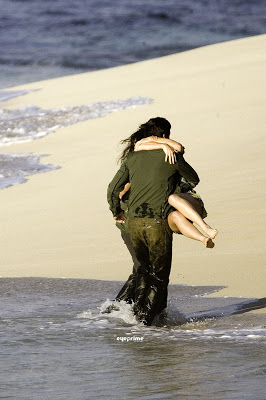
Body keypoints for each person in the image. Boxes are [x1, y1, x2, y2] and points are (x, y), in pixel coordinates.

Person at [107, 117, 200, 325]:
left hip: (131, 220)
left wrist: (116, 210)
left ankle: (135, 315)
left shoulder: (133, 155)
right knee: (154, 274)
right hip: (151, 220)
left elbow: (114, 189)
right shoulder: (166, 156)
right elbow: (192, 178)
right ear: (164, 135)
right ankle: (144, 320)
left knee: (142, 271)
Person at [134, 135, 218, 248]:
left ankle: (205, 227)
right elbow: (137, 147)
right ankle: (203, 239)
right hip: (171, 214)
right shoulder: (145, 153)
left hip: (186, 200)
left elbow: (178, 147)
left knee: (173, 198)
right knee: (175, 215)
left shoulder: (171, 154)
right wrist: (162, 144)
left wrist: (159, 142)